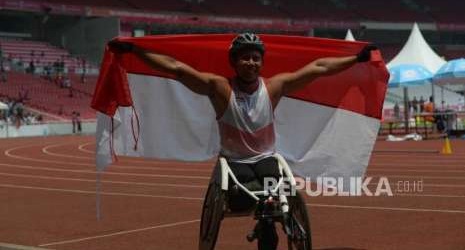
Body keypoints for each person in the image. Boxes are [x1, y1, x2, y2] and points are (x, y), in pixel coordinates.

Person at [109, 33, 376, 250]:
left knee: (275, 199)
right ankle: (262, 218)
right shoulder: (220, 88)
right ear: (234, 62)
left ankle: (271, 225)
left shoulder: (274, 87)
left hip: (266, 158)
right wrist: (135, 50)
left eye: (256, 58)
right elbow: (177, 69)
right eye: (245, 58)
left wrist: (356, 58)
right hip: (234, 162)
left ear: (262, 62)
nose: (251, 62)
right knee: (240, 201)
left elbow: (318, 68)